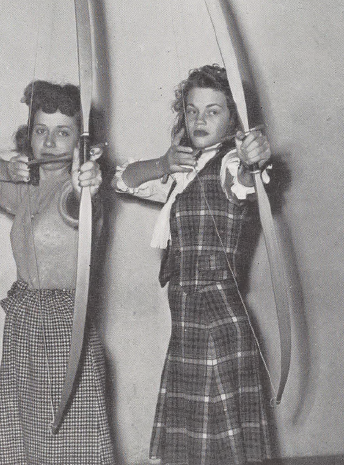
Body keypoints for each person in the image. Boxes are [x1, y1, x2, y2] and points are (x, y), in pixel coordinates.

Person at [113, 65, 273, 464]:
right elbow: (124, 180)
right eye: (191, 110)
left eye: (213, 111)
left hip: (216, 315)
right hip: (187, 316)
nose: (199, 120)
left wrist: (256, 157)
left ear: (235, 119)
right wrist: (164, 164)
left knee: (218, 442)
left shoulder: (228, 164)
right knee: (195, 440)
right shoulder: (185, 168)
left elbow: (249, 179)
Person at [0, 80, 114, 464]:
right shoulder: (27, 188)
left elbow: (82, 201)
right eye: (40, 131)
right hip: (24, 324)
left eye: (63, 133)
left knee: (71, 441)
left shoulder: (76, 188)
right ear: (29, 136)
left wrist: (89, 183)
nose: (49, 142)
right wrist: (6, 167)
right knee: (26, 439)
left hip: (66, 326)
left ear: (83, 144)